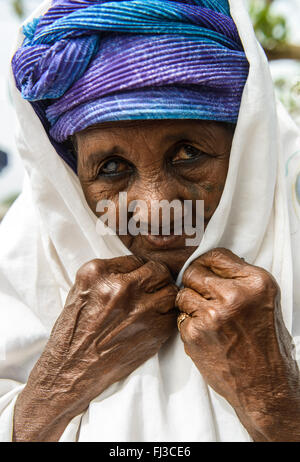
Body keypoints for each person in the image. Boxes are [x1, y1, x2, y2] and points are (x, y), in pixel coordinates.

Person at [0, 0, 300, 442]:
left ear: (245, 151)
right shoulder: (30, 257)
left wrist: (273, 399)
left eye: (188, 153)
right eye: (111, 168)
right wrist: (56, 386)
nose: (156, 207)